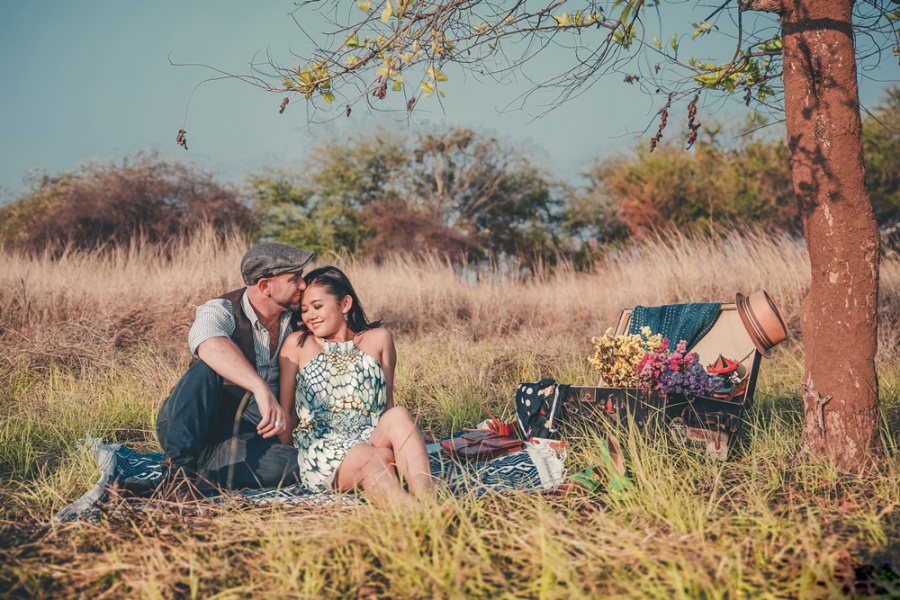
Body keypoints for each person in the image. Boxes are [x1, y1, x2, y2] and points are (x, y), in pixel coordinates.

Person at [150, 242, 315, 493]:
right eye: (294, 279)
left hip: (243, 435)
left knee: (297, 464)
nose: (303, 286)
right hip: (190, 423)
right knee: (207, 367)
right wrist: (259, 388)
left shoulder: (297, 316)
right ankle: (178, 471)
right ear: (265, 286)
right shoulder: (221, 309)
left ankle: (201, 476)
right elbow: (208, 342)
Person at [278, 266, 434, 507]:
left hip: (370, 435)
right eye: (305, 310)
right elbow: (287, 410)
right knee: (370, 456)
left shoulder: (378, 339)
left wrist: (403, 445)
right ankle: (416, 514)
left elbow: (387, 404)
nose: (310, 316)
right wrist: (284, 464)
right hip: (324, 450)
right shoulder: (297, 345)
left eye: (318, 306)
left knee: (399, 415)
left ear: (345, 304)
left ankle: (428, 499)